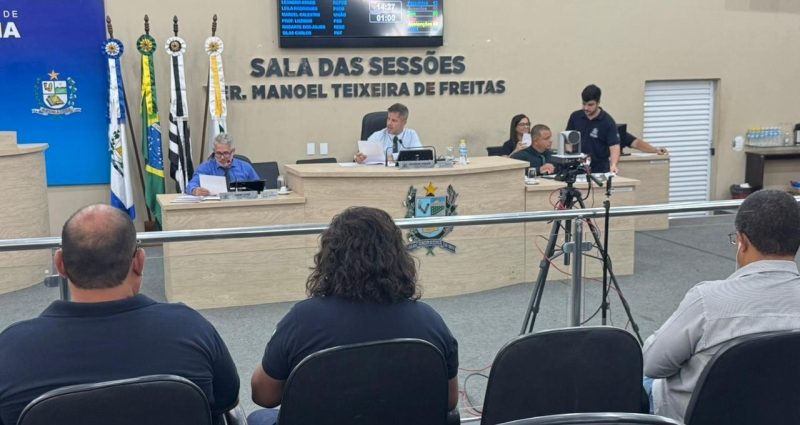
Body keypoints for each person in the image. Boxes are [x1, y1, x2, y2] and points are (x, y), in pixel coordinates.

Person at [0, 204, 240, 425]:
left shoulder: (11, 349)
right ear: (139, 262)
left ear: (60, 264)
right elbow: (226, 399)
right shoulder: (190, 328)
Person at [249, 206, 459, 425]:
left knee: (258, 418)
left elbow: (264, 396)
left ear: (330, 259)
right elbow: (449, 400)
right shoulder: (429, 321)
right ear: (399, 257)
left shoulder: (302, 320)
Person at [642, 190, 800, 422]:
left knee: (640, 380)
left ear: (742, 241)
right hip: (786, 413)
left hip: (700, 417)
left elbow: (652, 364)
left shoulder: (708, 300)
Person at [566, 84, 621, 174]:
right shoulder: (575, 116)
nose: (586, 108)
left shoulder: (608, 121)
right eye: (584, 104)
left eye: (590, 105)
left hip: (600, 169)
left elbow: (614, 146)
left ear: (598, 103)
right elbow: (568, 140)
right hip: (577, 167)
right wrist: (570, 157)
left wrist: (614, 164)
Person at [186, 133, 260, 195]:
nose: (222, 157)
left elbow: (259, 187)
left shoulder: (245, 167)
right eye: (218, 153)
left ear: (233, 151)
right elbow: (191, 185)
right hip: (215, 206)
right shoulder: (205, 168)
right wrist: (195, 190)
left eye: (225, 153)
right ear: (214, 151)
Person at [355, 103, 422, 163]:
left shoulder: (411, 134)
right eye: (388, 119)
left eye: (394, 120)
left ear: (404, 122)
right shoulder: (378, 136)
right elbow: (363, 154)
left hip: (404, 172)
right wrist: (359, 158)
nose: (389, 123)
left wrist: (393, 157)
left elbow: (419, 154)